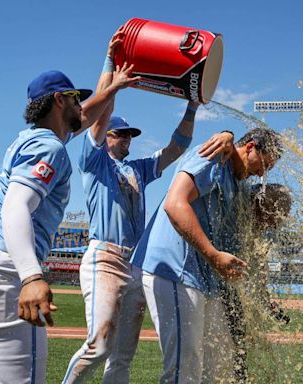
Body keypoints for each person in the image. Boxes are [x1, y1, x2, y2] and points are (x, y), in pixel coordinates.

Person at [0, 64, 131, 383]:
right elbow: (15, 207)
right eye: (75, 99)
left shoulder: (32, 139)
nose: (81, 105)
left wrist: (112, 79)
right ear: (59, 101)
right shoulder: (50, 146)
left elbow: (84, 119)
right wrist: (30, 276)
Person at [62, 32, 235, 384]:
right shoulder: (94, 161)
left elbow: (176, 148)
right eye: (120, 134)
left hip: (136, 262)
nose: (126, 139)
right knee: (99, 345)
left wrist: (191, 105)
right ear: (107, 136)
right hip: (106, 258)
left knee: (122, 355)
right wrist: (111, 69)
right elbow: (96, 117)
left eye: (129, 135)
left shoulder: (137, 168)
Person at [131, 127, 284, 383]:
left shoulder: (235, 179)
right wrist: (213, 255)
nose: (263, 174)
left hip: (201, 277)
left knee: (219, 362)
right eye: (265, 164)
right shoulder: (213, 155)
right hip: (174, 269)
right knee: (184, 367)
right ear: (250, 148)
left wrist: (229, 134)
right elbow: (174, 204)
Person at [219, 182, 293, 383]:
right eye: (275, 217)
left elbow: (258, 268)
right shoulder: (235, 209)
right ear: (264, 206)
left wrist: (267, 302)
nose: (276, 224)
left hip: (227, 285)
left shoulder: (257, 223)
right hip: (210, 282)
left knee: (239, 340)